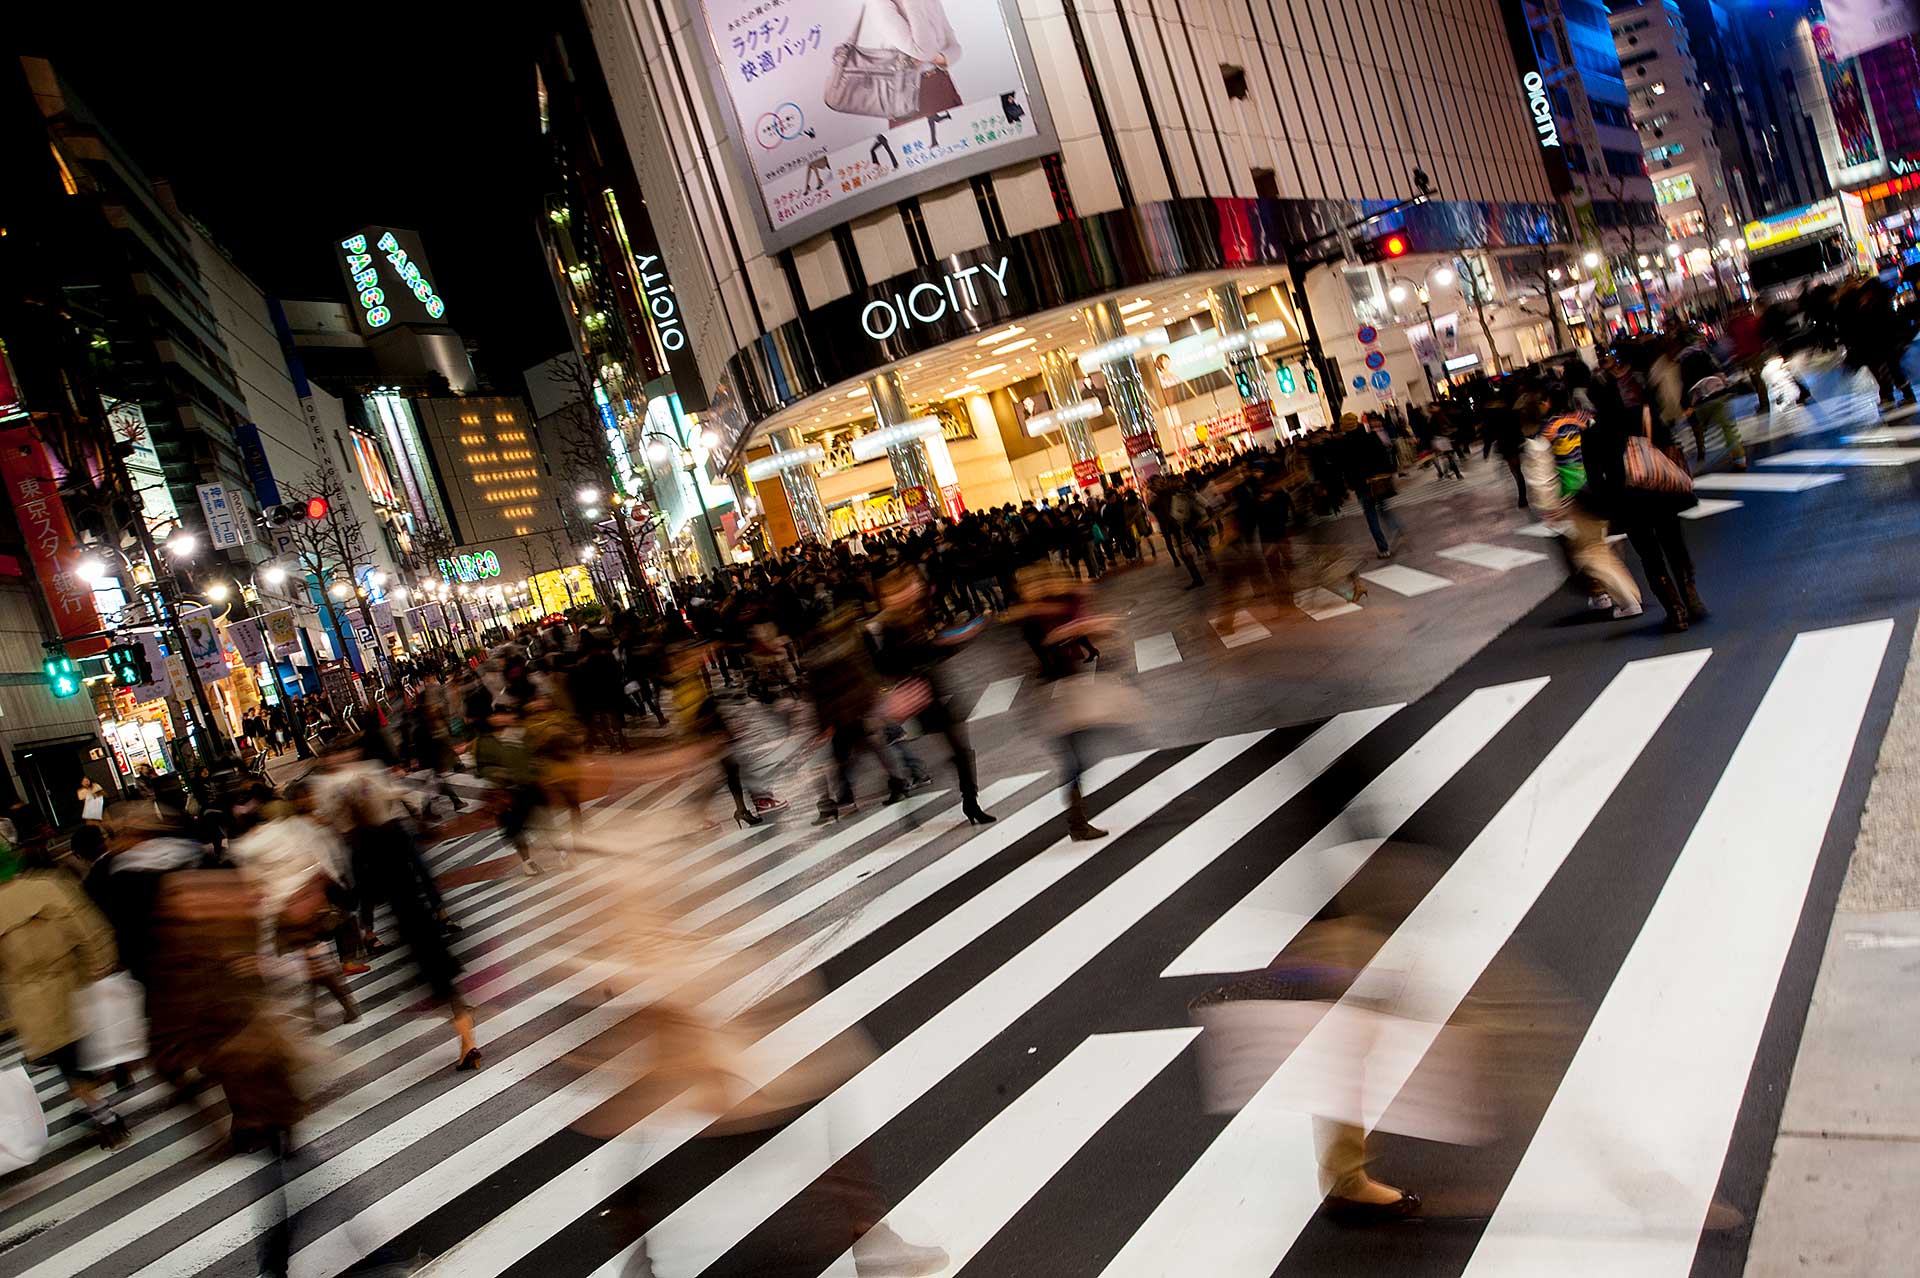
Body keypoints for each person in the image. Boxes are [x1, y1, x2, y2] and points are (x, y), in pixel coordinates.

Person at [0, 845, 129, 1147]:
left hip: (32, 997)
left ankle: (104, 1116)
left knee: (68, 1064)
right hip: (75, 981)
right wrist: (102, 963)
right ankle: (114, 1077)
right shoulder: (47, 887)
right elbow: (88, 928)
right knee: (95, 1043)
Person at [1521, 391, 1644, 619]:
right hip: (1603, 489)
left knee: (1588, 552)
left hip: (1575, 498)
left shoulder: (1545, 433)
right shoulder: (1588, 419)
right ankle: (1610, 594)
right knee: (1606, 543)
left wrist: (1548, 506)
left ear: (1547, 402)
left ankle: (1621, 597)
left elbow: (1541, 473)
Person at [1334, 413, 1399, 557]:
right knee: (1383, 507)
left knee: (1370, 514)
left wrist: (1349, 485)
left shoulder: (1342, 444)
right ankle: (1396, 528)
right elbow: (1383, 456)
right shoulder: (1370, 437)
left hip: (1361, 484)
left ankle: (1383, 549)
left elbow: (1344, 468)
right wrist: (1389, 473)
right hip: (1378, 480)